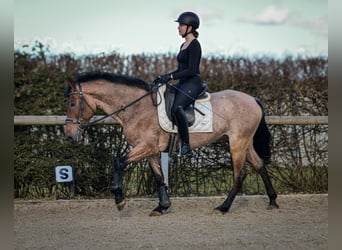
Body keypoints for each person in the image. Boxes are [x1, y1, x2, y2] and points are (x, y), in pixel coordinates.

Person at [156, 11, 203, 156]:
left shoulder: (195, 45)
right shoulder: (183, 45)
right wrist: (165, 77)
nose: (178, 28)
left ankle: (186, 146)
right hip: (183, 82)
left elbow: (191, 70)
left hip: (193, 83)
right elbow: (180, 69)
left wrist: (171, 76)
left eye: (181, 25)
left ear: (190, 27)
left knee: (177, 107)